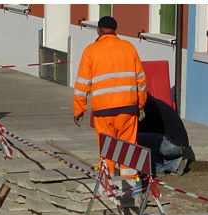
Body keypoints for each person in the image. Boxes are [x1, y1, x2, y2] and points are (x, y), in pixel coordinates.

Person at [73, 16, 147, 183]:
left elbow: (82, 84)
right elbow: (141, 80)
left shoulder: (90, 51)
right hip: (128, 107)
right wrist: (140, 104)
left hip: (103, 110)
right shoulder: (129, 48)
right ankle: (129, 187)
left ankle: (108, 184)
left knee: (107, 147)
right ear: (115, 30)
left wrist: (79, 109)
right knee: (128, 147)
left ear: (98, 30)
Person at [137, 93, 195, 176]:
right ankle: (175, 164)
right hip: (179, 145)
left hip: (173, 144)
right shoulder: (155, 103)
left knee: (139, 139)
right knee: (148, 140)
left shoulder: (148, 107)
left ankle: (157, 169)